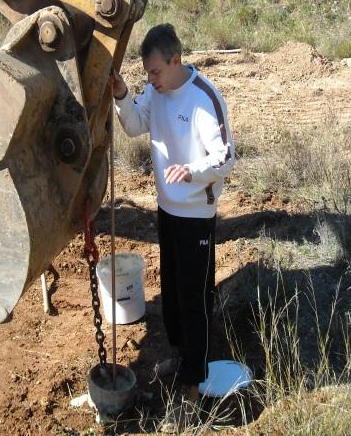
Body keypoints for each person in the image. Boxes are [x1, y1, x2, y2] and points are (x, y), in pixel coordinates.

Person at [110, 23, 235, 424]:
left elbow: (226, 158)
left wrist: (193, 170)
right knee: (174, 295)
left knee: (196, 300)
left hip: (196, 216)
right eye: (146, 73)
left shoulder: (203, 98)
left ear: (176, 60)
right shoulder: (154, 91)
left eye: (156, 72)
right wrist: (122, 96)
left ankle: (194, 386)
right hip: (166, 209)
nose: (151, 80)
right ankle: (182, 358)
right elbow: (134, 124)